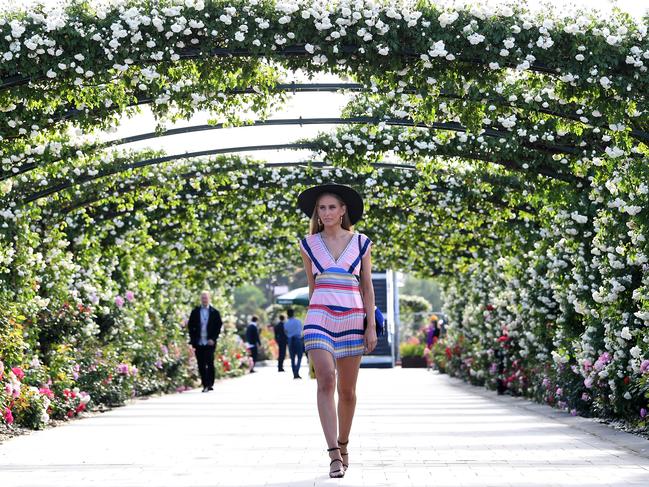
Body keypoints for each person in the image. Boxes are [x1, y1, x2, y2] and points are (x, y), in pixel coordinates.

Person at [297, 182, 377, 478]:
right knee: (326, 380)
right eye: (322, 208)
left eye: (332, 207)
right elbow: (312, 285)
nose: (327, 212)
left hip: (353, 319)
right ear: (316, 213)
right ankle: (332, 454)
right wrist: (312, 314)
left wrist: (370, 326)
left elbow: (366, 287)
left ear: (343, 210)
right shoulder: (308, 244)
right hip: (319, 316)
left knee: (347, 391)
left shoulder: (361, 243)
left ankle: (344, 444)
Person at [187, 291, 223, 392]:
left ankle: (210, 383)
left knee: (210, 362)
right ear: (200, 299)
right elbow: (190, 326)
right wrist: (193, 338)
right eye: (202, 298)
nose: (204, 300)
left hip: (209, 342)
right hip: (199, 342)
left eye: (206, 298)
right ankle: (205, 384)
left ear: (209, 299)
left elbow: (218, 326)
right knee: (201, 363)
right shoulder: (195, 311)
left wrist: (213, 338)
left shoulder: (214, 312)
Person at [284, 308, 304, 379]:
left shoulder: (286, 323)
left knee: (292, 358)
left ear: (287, 314)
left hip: (290, 340)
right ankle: (296, 371)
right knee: (299, 357)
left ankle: (294, 373)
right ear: (293, 313)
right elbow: (301, 330)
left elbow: (285, 332)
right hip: (298, 339)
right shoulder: (298, 321)